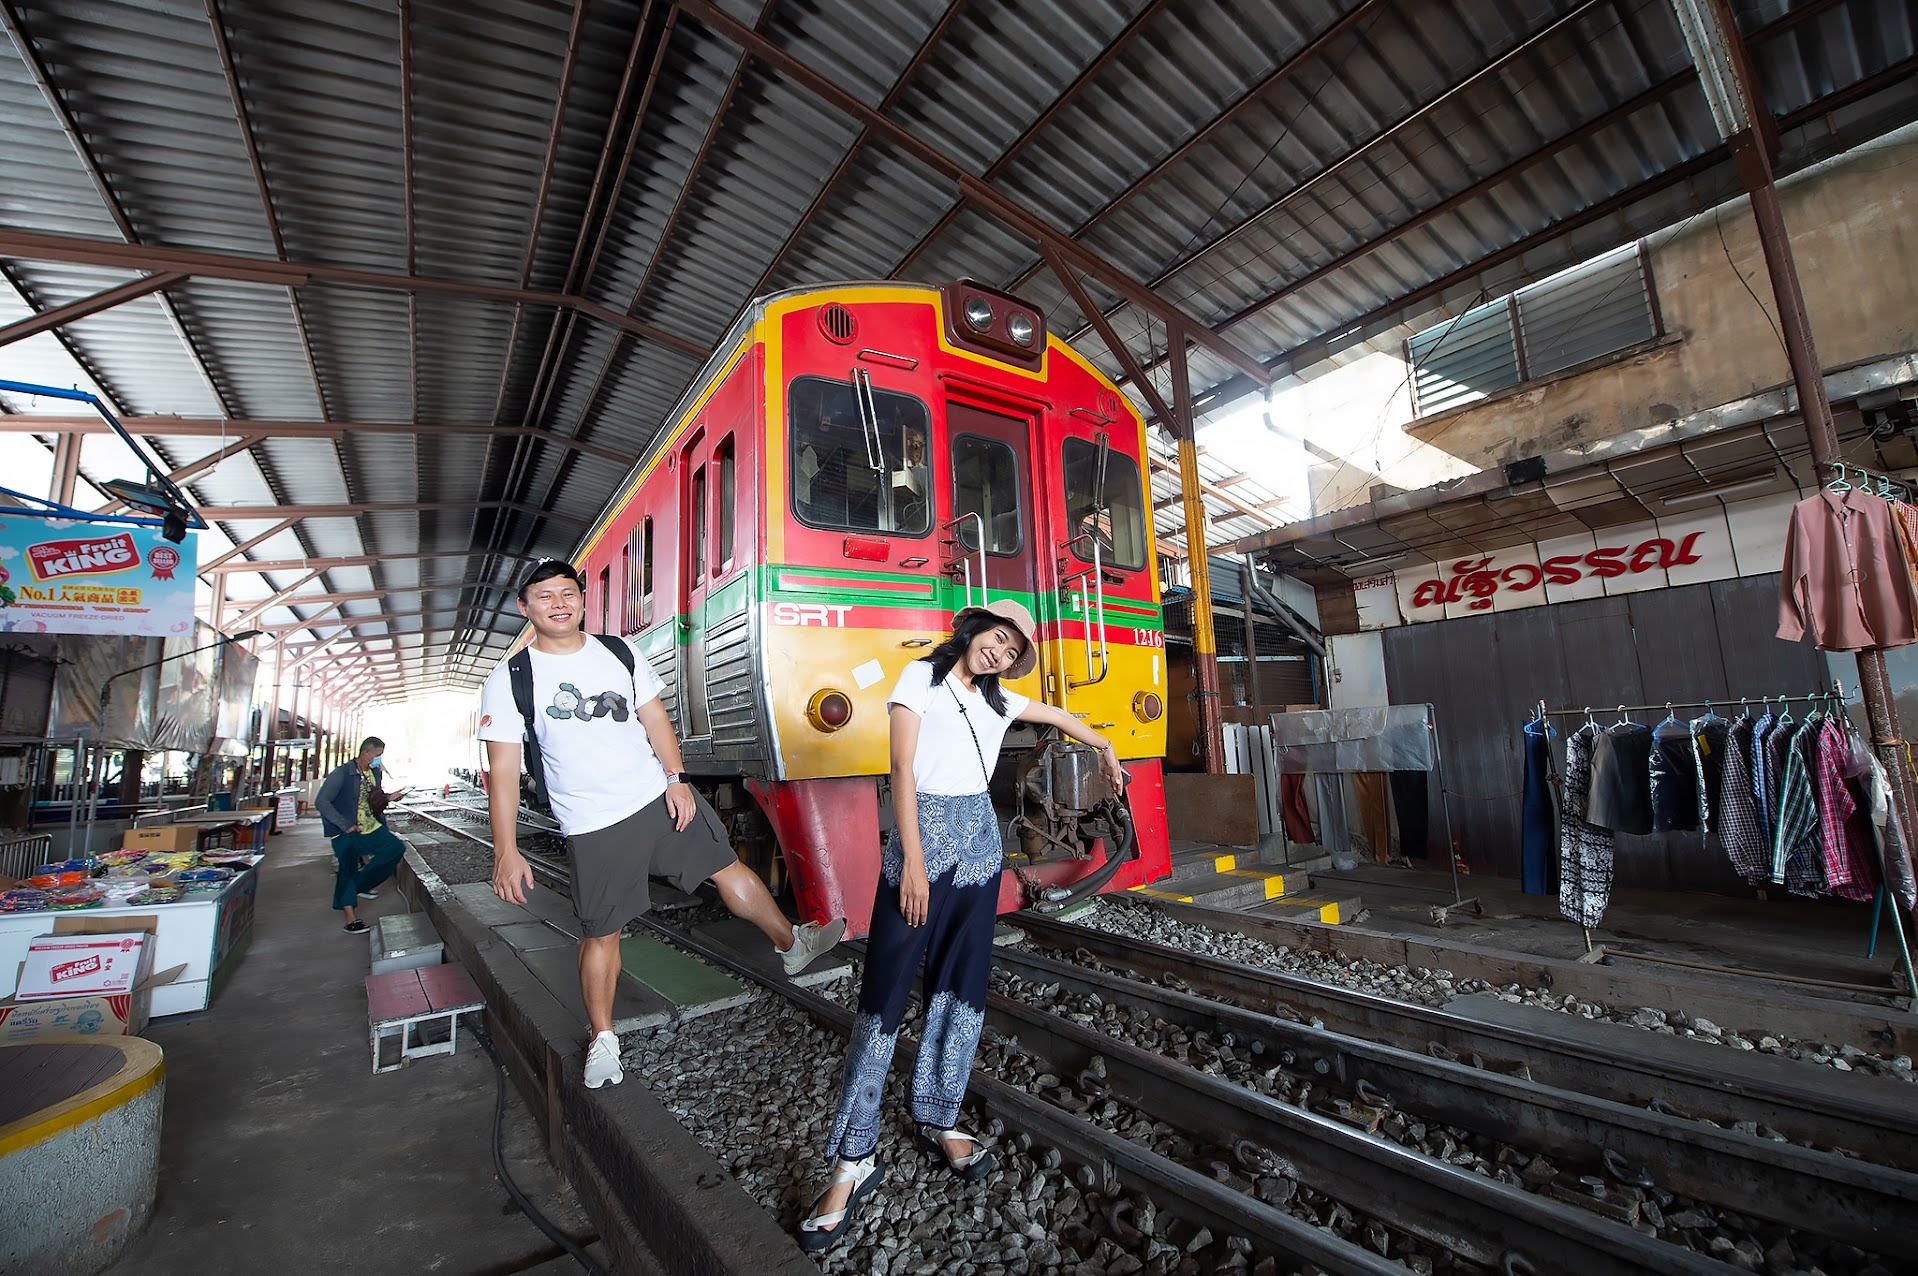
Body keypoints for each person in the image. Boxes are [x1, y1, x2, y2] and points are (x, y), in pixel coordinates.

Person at [797, 599, 1126, 1253]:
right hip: (923, 843)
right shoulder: (919, 678)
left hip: (979, 846)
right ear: (973, 630)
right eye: (996, 641)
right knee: (883, 1000)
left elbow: (1056, 714)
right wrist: (912, 864)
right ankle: (851, 1159)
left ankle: (939, 1115)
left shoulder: (1000, 702)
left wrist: (1105, 744)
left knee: (962, 992)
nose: (999, 655)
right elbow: (900, 772)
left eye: (1011, 653)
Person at [478, 561, 847, 1090]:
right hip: (593, 820)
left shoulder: (621, 653)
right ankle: (604, 1038)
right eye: (544, 596)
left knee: (725, 866)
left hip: (656, 796)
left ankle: (793, 945)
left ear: (583, 600)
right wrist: (505, 851)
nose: (558, 603)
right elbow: (506, 772)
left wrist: (676, 778)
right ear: (525, 607)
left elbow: (654, 718)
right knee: (602, 932)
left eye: (567, 593)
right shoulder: (511, 679)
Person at [316, 736, 409, 935]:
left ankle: (359, 885)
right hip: (346, 831)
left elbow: (372, 799)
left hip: (371, 828)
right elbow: (322, 802)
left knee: (396, 848)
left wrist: (389, 798)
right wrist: (344, 824)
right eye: (377, 755)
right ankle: (351, 919)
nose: (379, 760)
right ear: (366, 753)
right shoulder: (342, 774)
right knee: (347, 868)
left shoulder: (374, 771)